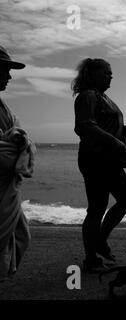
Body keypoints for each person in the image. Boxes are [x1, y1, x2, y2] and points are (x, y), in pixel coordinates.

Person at [72, 58, 126, 272]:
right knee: (97, 208)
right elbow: (84, 127)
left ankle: (100, 241)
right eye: (106, 73)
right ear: (91, 74)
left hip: (109, 159)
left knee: (124, 200)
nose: (110, 76)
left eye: (111, 73)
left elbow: (107, 126)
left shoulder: (105, 98)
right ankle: (91, 258)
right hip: (95, 159)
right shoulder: (87, 96)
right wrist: (115, 142)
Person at [0, 45, 33, 282]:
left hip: (6, 187)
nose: (10, 76)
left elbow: (15, 141)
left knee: (21, 236)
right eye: (5, 70)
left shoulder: (5, 108)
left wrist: (20, 144)